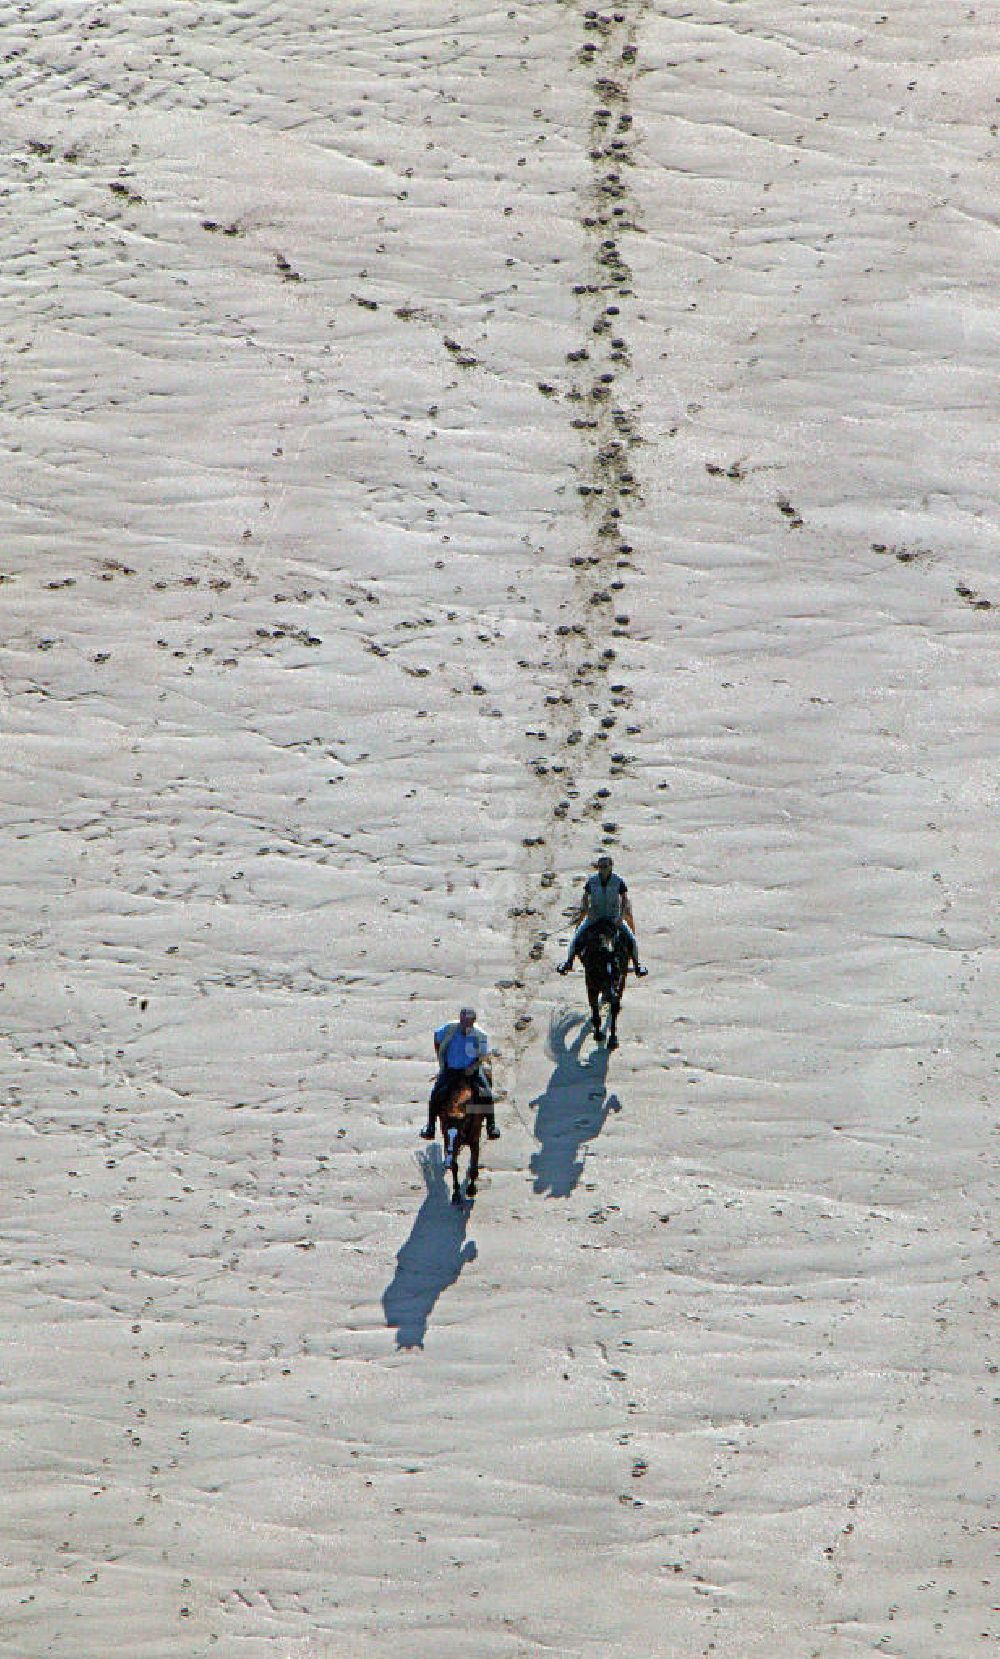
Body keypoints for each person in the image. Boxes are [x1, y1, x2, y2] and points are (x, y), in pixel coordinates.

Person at [557, 853, 647, 976]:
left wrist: (621, 917)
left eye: (605, 866)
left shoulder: (618, 881)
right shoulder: (592, 881)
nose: (602, 869)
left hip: (613, 917)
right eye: (600, 866)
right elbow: (585, 897)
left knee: (631, 938)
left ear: (611, 867)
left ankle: (637, 965)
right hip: (595, 917)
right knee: (577, 937)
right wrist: (588, 912)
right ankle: (568, 962)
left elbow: (624, 898)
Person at [420, 1005, 500, 1141]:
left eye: (468, 1022)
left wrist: (474, 1066)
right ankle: (430, 1126)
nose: (465, 1025)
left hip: (471, 1072)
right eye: (463, 1021)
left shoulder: (480, 1035)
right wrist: (441, 1058)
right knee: (436, 1094)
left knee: (486, 1093)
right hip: (451, 1070)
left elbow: (482, 1055)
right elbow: (437, 1037)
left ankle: (491, 1126)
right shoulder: (450, 1029)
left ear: (473, 1021)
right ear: (460, 1019)